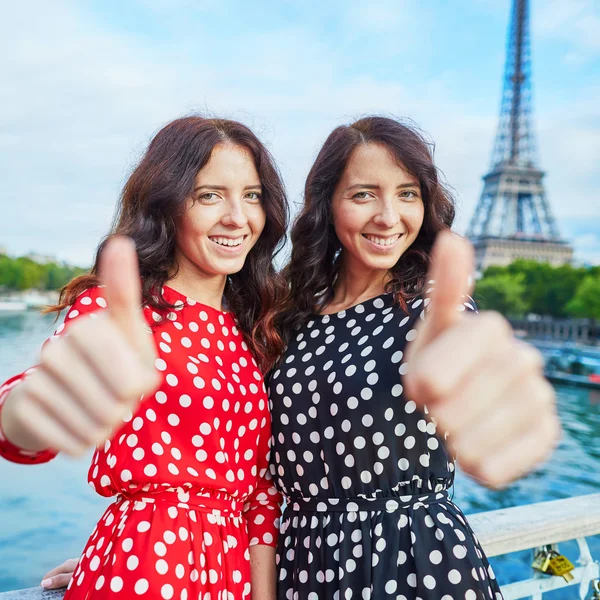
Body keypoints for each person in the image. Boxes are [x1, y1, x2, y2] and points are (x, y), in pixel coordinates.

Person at [268, 116, 559, 599]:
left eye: (407, 194)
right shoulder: (292, 314)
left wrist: (495, 409)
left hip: (412, 562)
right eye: (364, 194)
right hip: (302, 564)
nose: (389, 215)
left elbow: (466, 364)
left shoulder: (433, 312)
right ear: (328, 204)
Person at [0, 116, 289, 600]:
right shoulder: (120, 307)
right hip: (147, 565)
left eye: (252, 195)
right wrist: (41, 404)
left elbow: (260, 495)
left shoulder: (252, 329)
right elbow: (27, 417)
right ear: (167, 204)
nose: (238, 217)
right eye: (209, 195)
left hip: (232, 574)